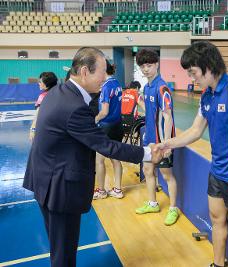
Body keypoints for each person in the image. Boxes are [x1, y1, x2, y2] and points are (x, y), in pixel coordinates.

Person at [23, 47, 162, 267]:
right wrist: (148, 152)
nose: (106, 78)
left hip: (45, 180)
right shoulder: (74, 106)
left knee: (59, 247)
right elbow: (105, 145)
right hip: (59, 188)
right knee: (64, 254)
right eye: (103, 72)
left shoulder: (59, 92)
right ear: (86, 72)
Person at [156, 41, 228, 267]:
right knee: (217, 221)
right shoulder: (206, 96)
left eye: (193, 72)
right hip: (217, 172)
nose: (191, 78)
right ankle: (217, 264)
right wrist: (168, 144)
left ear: (208, 65)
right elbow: (195, 131)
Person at [134, 48, 180, 226]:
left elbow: (167, 116)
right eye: (143, 66)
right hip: (148, 139)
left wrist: (167, 144)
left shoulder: (162, 88)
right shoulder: (147, 87)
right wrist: (140, 103)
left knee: (167, 176)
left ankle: (173, 208)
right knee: (147, 171)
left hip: (162, 141)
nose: (146, 69)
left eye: (149, 65)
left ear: (157, 65)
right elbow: (151, 112)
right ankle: (153, 203)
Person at [93, 60, 125, 199]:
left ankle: (101, 191)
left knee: (99, 160)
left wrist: (94, 119)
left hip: (105, 127)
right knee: (115, 158)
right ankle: (118, 190)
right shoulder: (117, 83)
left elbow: (104, 112)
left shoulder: (106, 87)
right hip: (118, 125)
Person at [29, 72, 58, 141]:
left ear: (46, 84)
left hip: (47, 130)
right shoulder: (61, 93)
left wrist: (32, 129)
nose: (39, 83)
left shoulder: (42, 97)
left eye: (40, 82)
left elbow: (38, 115)